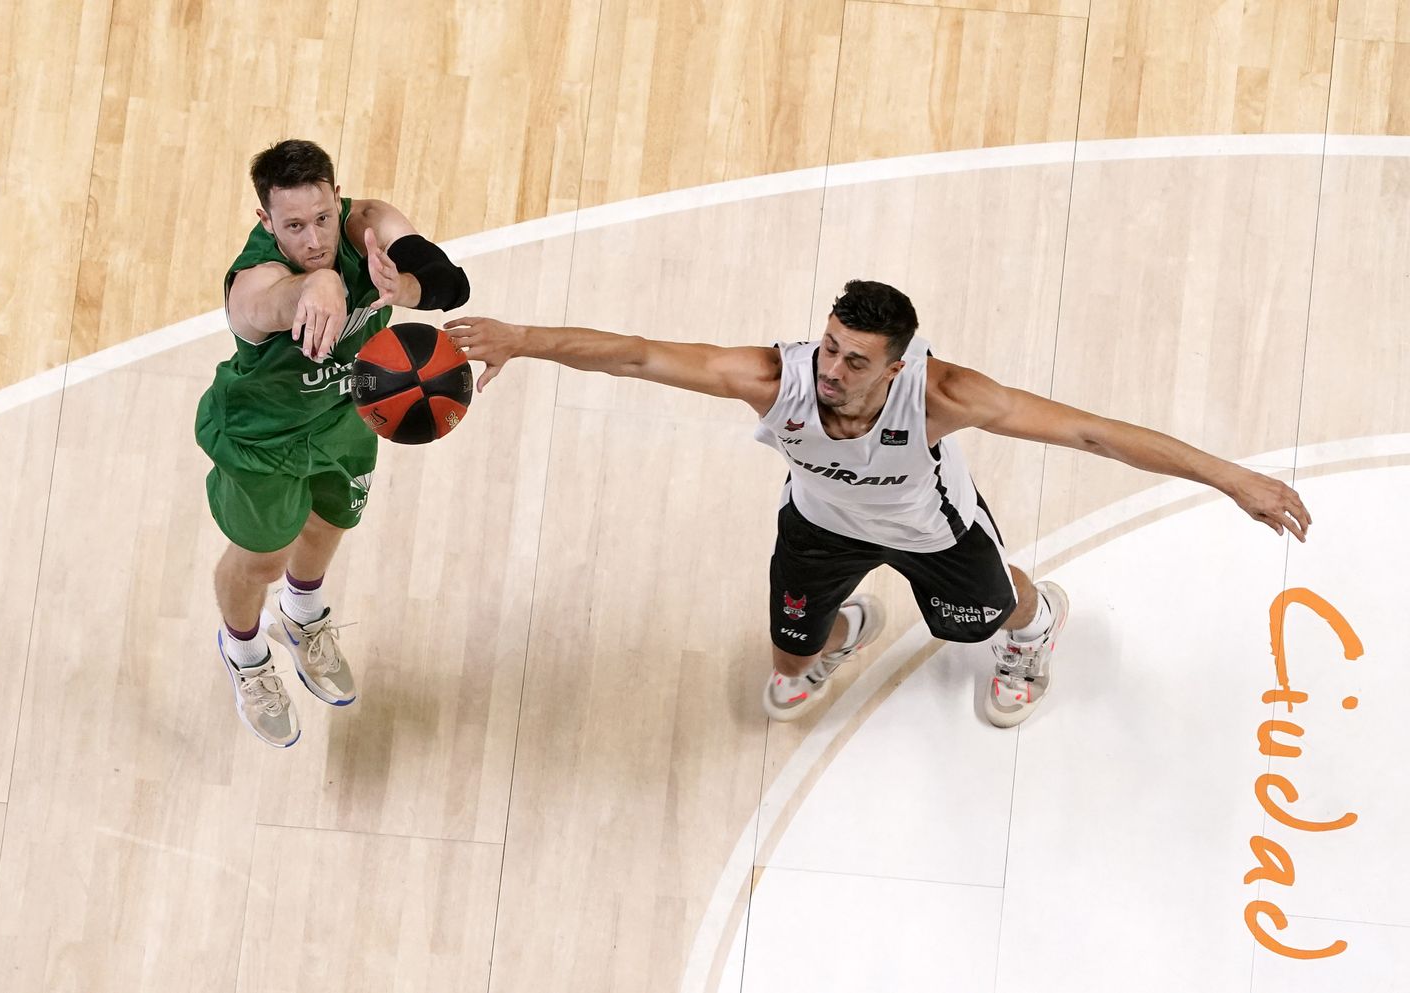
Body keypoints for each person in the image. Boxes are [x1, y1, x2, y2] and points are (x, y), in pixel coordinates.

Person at [443, 281, 1310, 726]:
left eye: (857, 360)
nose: (832, 369)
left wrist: (1232, 477)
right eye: (829, 347)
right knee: (786, 672)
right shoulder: (770, 380)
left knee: (977, 621)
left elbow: (1092, 434)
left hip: (934, 532)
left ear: (898, 366)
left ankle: (1034, 622)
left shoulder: (943, 395)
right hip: (819, 530)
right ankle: (843, 625)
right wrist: (525, 339)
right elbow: (635, 355)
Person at [195, 139, 470, 747]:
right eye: (293, 226)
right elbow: (267, 303)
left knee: (328, 525)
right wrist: (314, 287)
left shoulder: (366, 226)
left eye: (322, 218)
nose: (314, 240)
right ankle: (243, 653)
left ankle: (303, 617)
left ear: (337, 199)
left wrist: (406, 290)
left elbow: (451, 282)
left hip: (345, 416)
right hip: (262, 438)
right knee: (264, 558)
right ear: (266, 220)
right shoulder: (256, 280)